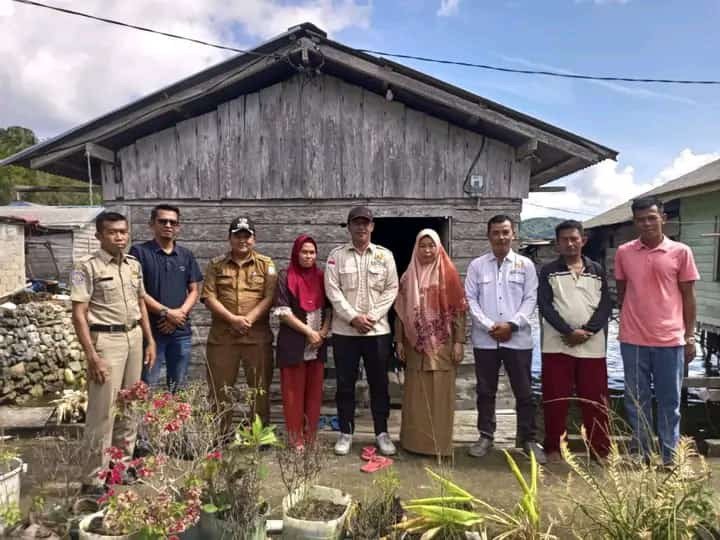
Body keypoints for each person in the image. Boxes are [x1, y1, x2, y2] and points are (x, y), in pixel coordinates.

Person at [70, 211, 156, 495]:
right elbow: (79, 315)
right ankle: (93, 479)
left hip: (133, 338)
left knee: (130, 407)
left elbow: (141, 303)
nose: (119, 237)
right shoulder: (86, 267)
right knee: (102, 412)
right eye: (112, 232)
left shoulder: (133, 265)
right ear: (99, 236)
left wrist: (149, 340)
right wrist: (93, 355)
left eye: (123, 231)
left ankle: (119, 469)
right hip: (106, 342)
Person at [615, 196, 699, 465]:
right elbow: (622, 292)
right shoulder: (624, 252)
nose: (647, 223)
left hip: (670, 339)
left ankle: (669, 456)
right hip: (633, 339)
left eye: (652, 217)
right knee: (635, 400)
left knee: (669, 401)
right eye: (641, 219)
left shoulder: (681, 252)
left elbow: (688, 296)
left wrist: (690, 336)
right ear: (634, 222)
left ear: (663, 218)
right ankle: (639, 453)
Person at [465, 214, 545, 463]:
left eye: (505, 232)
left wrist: (511, 324)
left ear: (513, 235)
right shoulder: (477, 266)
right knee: (485, 390)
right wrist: (490, 325)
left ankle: (528, 439)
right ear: (488, 236)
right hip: (485, 340)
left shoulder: (525, 265)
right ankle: (486, 435)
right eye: (496, 233)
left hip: (517, 339)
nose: (501, 237)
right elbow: (471, 300)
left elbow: (531, 299)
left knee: (523, 391)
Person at [325, 206, 399, 456]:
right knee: (345, 384)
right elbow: (332, 291)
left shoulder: (385, 256)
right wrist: (353, 317)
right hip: (346, 332)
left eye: (365, 223)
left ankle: (382, 432)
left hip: (377, 331)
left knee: (380, 384)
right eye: (356, 223)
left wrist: (372, 317)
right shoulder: (336, 257)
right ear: (349, 227)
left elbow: (391, 289)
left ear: (372, 226)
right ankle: (346, 432)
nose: (361, 227)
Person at [538, 220, 612, 462]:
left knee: (595, 401)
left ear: (583, 240)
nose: (570, 243)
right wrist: (568, 331)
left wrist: (588, 330)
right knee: (555, 400)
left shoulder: (597, 270)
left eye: (574, 238)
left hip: (592, 347)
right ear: (557, 244)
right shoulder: (548, 271)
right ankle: (554, 449)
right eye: (564, 240)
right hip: (557, 344)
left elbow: (605, 305)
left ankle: (600, 451)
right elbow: (545, 305)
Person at [394, 228, 467, 457]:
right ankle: (413, 443)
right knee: (416, 395)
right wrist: (398, 341)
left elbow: (458, 311)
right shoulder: (407, 277)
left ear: (438, 247)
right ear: (417, 248)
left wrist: (459, 342)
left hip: (442, 344)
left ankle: (440, 445)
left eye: (431, 245)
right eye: (422, 246)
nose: (427, 250)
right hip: (414, 345)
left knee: (440, 395)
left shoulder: (449, 274)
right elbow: (400, 313)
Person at [201, 217, 278, 433]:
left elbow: (270, 297)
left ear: (254, 239)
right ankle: (219, 434)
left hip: (257, 338)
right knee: (220, 389)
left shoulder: (266, 265)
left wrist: (249, 319)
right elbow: (208, 297)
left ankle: (258, 434)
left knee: (259, 389)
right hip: (223, 338)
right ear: (230, 238)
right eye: (238, 235)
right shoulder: (216, 265)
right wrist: (232, 319)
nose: (242, 240)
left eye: (247, 236)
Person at [129, 204, 203, 392]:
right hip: (151, 333)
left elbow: (194, 290)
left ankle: (175, 422)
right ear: (151, 224)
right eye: (163, 221)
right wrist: (167, 313)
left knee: (178, 386)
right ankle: (145, 423)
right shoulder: (139, 253)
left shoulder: (186, 255)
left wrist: (179, 315)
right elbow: (139, 292)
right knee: (147, 385)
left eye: (173, 222)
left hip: (180, 332)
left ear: (178, 226)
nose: (168, 225)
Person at [274, 235, 332, 447]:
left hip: (317, 345)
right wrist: (309, 332)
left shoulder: (321, 276)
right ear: (296, 253)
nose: (308, 256)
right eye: (304, 252)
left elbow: (328, 307)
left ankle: (310, 437)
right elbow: (282, 312)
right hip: (294, 344)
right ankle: (295, 439)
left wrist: (322, 333)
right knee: (293, 393)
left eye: (312, 252)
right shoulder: (284, 276)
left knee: (314, 394)